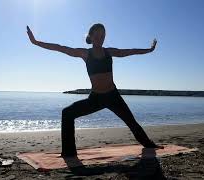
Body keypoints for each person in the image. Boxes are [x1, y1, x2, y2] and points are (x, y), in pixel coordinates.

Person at [27, 23, 164, 157]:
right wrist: (35, 42)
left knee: (131, 122)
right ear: (91, 37)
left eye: (103, 36)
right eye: (97, 35)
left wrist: (149, 50)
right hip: (96, 98)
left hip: (113, 96)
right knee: (67, 113)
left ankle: (149, 144)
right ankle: (69, 153)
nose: (100, 38)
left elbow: (129, 51)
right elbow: (60, 48)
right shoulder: (85, 53)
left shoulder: (108, 52)